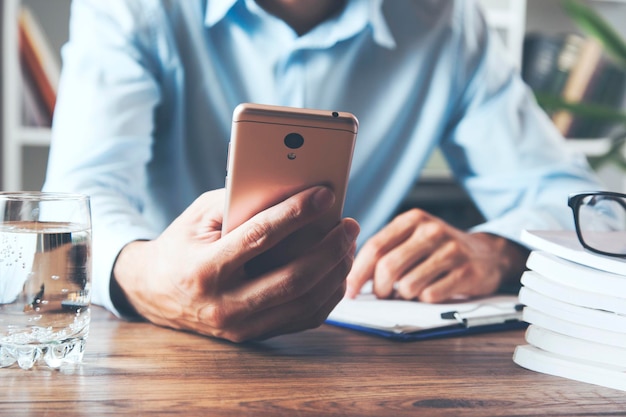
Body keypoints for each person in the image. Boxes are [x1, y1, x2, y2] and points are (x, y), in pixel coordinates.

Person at [43, 0, 604, 342]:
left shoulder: (447, 22)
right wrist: (146, 279)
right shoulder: (131, 8)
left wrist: (496, 249)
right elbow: (75, 202)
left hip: (357, 344)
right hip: (161, 339)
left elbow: (578, 202)